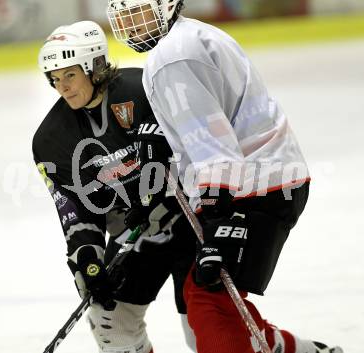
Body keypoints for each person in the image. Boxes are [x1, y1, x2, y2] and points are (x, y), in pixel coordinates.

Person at [106, 2, 344, 353]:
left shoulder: (173, 56)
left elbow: (209, 138)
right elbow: (200, 133)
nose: (129, 22)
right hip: (262, 179)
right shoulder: (191, 37)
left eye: (138, 10)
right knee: (210, 294)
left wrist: (218, 207)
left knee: (208, 299)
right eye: (123, 14)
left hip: (254, 188)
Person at [33, 20, 197, 353]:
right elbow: (75, 208)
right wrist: (87, 260)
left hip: (192, 220)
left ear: (94, 66)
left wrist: (171, 194)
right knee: (110, 323)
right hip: (136, 230)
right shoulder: (51, 140)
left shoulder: (145, 90)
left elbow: (200, 151)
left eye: (69, 74)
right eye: (54, 78)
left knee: (205, 328)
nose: (61, 87)